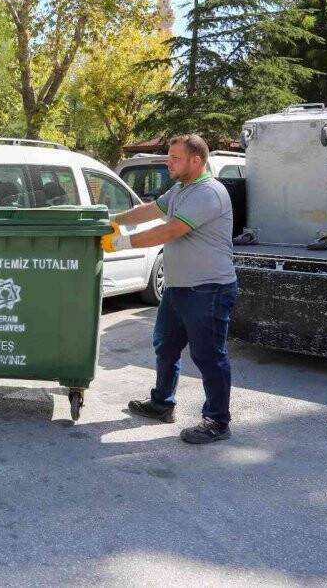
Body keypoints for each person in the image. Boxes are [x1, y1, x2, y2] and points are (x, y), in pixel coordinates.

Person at [102, 134, 237, 444]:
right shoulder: (181, 189)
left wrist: (122, 243)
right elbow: (151, 210)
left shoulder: (208, 193)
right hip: (178, 288)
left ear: (196, 161)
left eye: (175, 158)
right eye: (169, 156)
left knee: (209, 356)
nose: (168, 162)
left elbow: (172, 229)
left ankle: (217, 421)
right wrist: (114, 221)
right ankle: (162, 403)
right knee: (166, 346)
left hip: (209, 289)